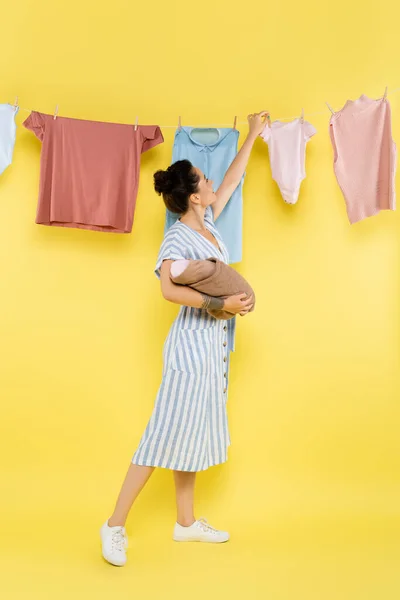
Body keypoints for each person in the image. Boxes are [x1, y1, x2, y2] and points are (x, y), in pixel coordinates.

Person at [100, 111, 269, 566]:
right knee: (162, 433)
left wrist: (252, 134)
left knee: (190, 433)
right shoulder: (177, 240)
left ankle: (186, 523)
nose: (212, 183)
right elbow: (167, 288)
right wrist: (221, 306)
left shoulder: (209, 225)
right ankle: (114, 524)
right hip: (190, 349)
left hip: (212, 349)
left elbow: (231, 179)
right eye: (204, 181)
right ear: (194, 197)